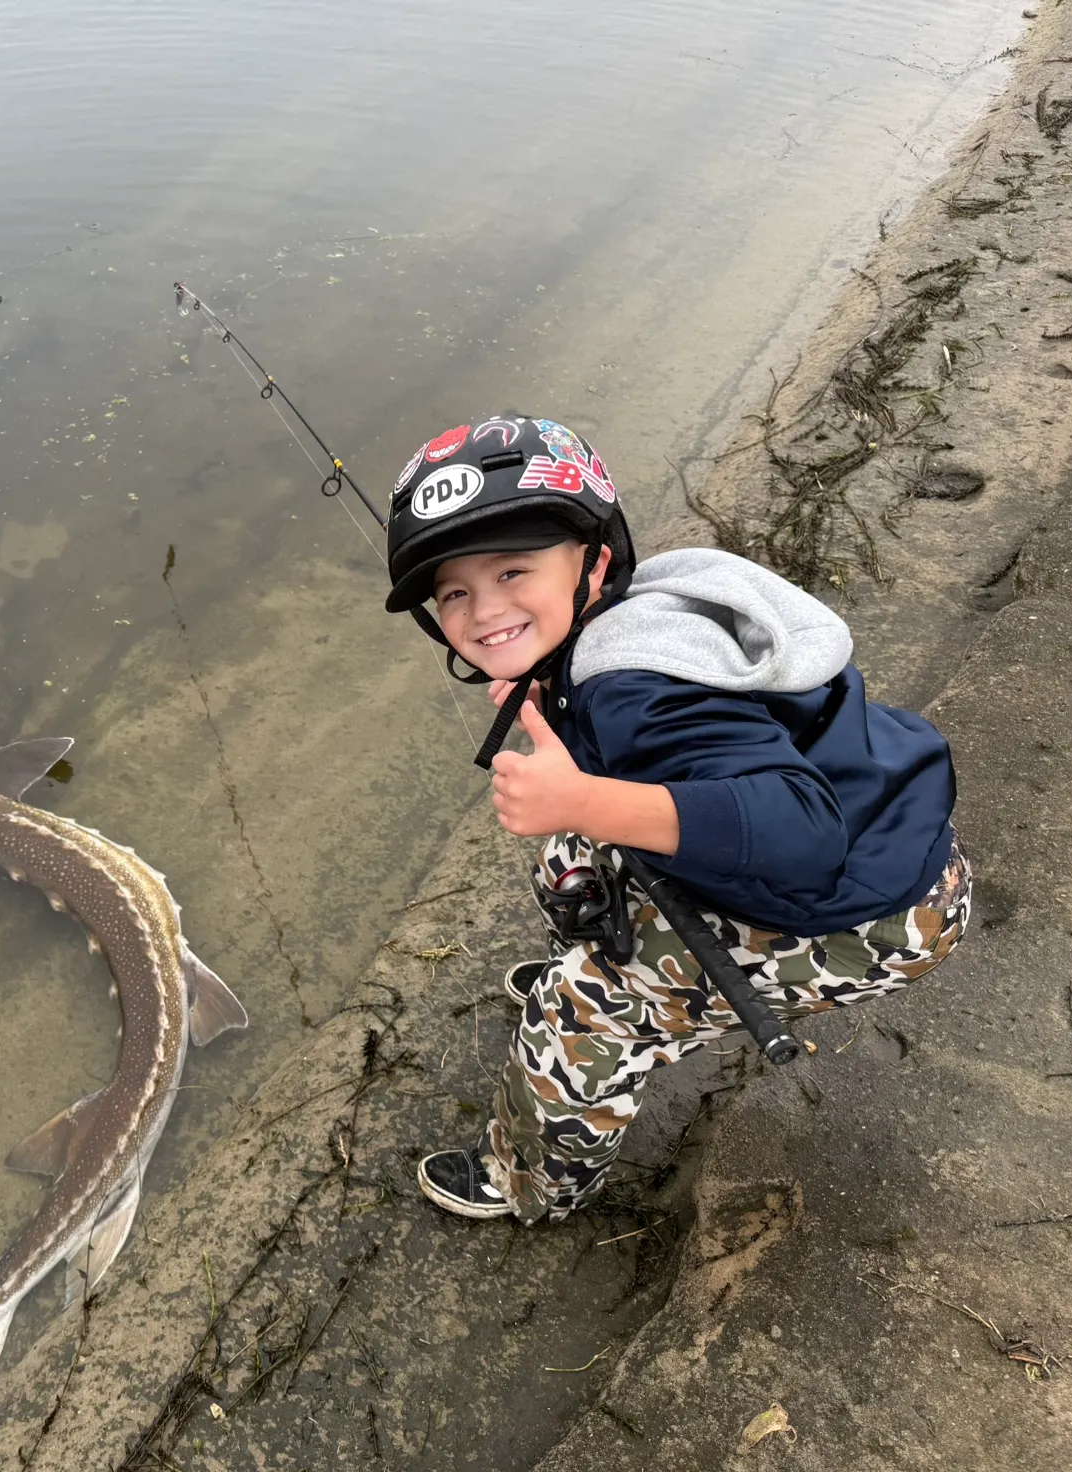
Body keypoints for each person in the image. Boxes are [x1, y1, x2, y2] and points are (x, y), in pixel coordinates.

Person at [384, 415, 970, 1223]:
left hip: (870, 915)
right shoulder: (630, 614)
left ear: (593, 560)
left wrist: (581, 796)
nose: (483, 611)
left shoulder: (629, 685)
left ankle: (532, 1181)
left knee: (579, 1014)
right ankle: (617, 971)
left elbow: (801, 829)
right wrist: (564, 722)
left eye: (513, 572)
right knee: (568, 862)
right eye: (454, 592)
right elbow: (679, 745)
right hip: (892, 837)